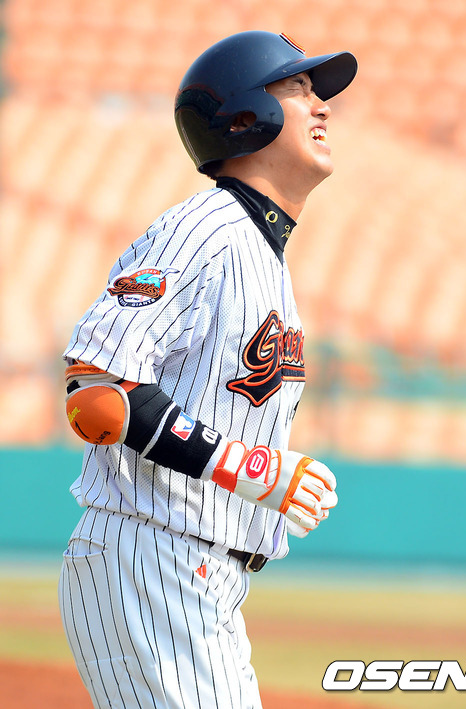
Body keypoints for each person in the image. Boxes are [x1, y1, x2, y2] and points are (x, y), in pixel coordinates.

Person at [59, 30, 357, 709]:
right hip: (154, 558)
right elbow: (96, 394)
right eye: (298, 88)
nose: (322, 106)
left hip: (194, 572)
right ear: (247, 118)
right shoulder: (208, 230)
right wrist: (251, 469)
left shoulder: (258, 250)